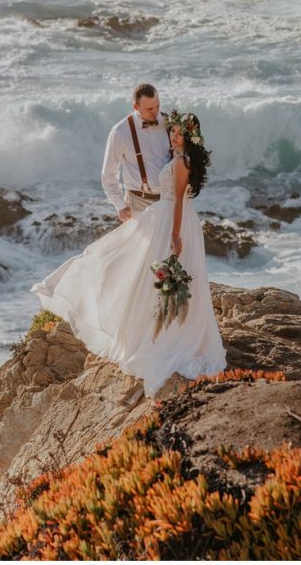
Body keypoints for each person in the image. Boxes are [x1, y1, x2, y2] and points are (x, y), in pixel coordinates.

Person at [31, 100, 227, 398]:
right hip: (169, 219)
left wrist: (174, 236)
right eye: (172, 132)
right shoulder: (183, 159)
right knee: (147, 273)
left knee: (161, 279)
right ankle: (161, 332)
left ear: (190, 137)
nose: (173, 136)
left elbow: (175, 202)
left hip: (173, 222)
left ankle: (169, 337)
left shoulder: (181, 162)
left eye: (179, 133)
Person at [101, 83, 172, 221]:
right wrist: (120, 205)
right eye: (150, 108)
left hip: (169, 201)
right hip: (139, 204)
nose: (156, 112)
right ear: (136, 107)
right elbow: (109, 172)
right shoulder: (120, 131)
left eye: (158, 106)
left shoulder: (168, 122)